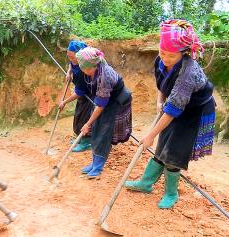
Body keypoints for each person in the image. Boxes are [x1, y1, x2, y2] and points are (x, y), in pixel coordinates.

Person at [125, 19, 215, 209]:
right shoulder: (161, 60)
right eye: (162, 52)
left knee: (175, 149)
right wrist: (160, 101)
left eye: (171, 56)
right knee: (164, 140)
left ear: (183, 54)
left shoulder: (188, 72)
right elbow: (163, 84)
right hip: (175, 104)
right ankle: (146, 183)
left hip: (194, 110)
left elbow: (174, 110)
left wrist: (149, 136)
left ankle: (171, 193)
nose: (165, 58)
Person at [75, 47, 132, 178]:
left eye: (86, 69)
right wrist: (91, 124)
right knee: (95, 129)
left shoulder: (105, 76)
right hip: (105, 101)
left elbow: (101, 105)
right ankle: (94, 163)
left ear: (94, 65)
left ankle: (98, 167)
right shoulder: (96, 68)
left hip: (115, 103)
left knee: (103, 133)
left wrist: (87, 123)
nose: (84, 72)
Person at [59, 40, 95, 152]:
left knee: (84, 118)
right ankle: (79, 139)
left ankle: (86, 142)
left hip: (90, 95)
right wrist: (69, 72)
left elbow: (79, 92)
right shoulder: (74, 62)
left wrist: (64, 102)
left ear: (80, 56)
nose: (70, 59)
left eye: (72, 57)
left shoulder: (83, 69)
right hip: (83, 95)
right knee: (78, 116)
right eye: (68, 56)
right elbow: (71, 64)